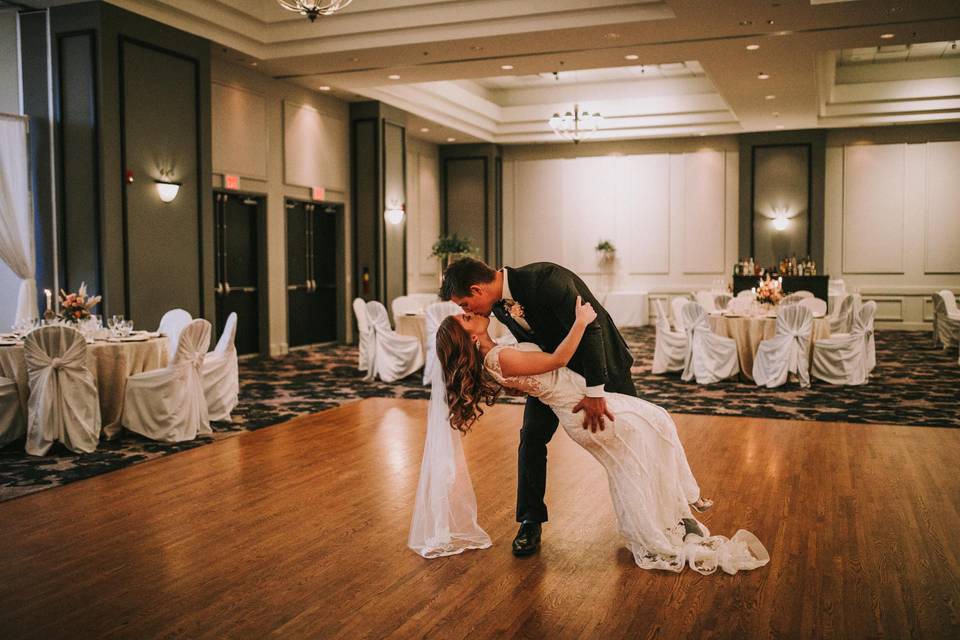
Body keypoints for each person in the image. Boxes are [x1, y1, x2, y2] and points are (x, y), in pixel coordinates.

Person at [433, 298, 769, 574]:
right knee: (654, 430)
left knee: (641, 451)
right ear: (470, 339)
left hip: (579, 407)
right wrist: (581, 320)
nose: (469, 313)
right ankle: (670, 519)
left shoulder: (496, 354)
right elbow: (557, 358)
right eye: (465, 319)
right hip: (583, 411)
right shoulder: (499, 357)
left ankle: (664, 521)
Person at [441, 258, 635, 556]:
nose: (466, 311)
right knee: (531, 438)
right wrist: (526, 380)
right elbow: (529, 342)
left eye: (465, 304)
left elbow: (591, 327)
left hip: (602, 367)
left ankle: (668, 511)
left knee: (633, 438)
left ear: (478, 290)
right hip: (553, 376)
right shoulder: (496, 306)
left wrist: (595, 392)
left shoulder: (546, 280)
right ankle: (530, 521)